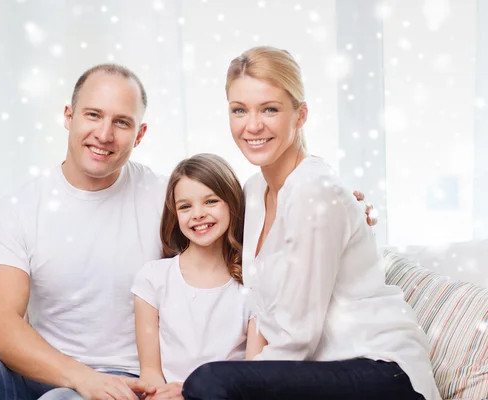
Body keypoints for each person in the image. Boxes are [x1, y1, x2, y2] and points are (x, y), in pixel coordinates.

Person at [0, 62, 376, 400]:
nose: (104, 133)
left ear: (139, 134)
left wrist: (340, 207)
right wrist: (79, 376)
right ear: (68, 116)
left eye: (122, 122)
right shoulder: (21, 206)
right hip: (45, 370)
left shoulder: (165, 197)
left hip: (129, 380)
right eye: (92, 115)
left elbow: (244, 207)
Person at [182, 46, 441, 400]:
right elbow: (262, 311)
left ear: (301, 115)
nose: (253, 125)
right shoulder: (254, 192)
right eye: (239, 110)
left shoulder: (315, 191)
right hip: (319, 371)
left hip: (380, 369)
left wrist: (238, 383)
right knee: (213, 382)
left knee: (208, 383)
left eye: (270, 109)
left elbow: (296, 337)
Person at [132, 154, 258, 400]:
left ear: (232, 203)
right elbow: (150, 373)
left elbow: (253, 377)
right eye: (185, 206)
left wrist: (192, 393)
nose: (197, 214)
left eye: (210, 201)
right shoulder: (153, 279)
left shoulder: (253, 283)